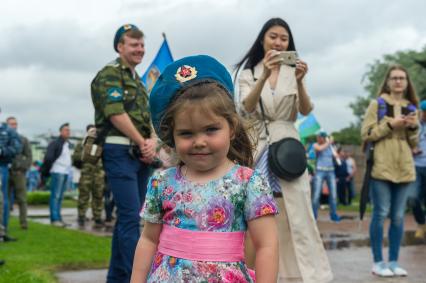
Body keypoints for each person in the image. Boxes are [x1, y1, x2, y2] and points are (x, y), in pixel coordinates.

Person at [130, 55, 279, 282]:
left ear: (231, 128)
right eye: (187, 133)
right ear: (172, 137)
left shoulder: (249, 182)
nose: (199, 141)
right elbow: (149, 240)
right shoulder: (161, 183)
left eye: (210, 130)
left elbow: (266, 245)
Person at [235, 18, 333, 283]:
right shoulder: (249, 73)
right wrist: (265, 75)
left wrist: (300, 81)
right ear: (262, 40)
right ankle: (255, 274)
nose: (278, 43)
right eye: (273, 37)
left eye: (284, 38)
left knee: (296, 215)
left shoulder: (293, 71)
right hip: (259, 149)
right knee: (258, 213)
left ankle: (301, 276)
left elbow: (306, 110)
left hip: (288, 149)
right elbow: (245, 108)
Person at [90, 24, 157, 283]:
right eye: (134, 44)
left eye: (142, 44)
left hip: (140, 154)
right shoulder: (109, 74)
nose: (140, 49)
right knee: (131, 218)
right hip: (119, 150)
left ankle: (117, 277)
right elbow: (116, 113)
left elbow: (147, 117)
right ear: (120, 47)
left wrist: (151, 141)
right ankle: (136, 277)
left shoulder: (138, 82)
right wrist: (143, 141)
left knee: (130, 218)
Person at [361, 65, 419, 277]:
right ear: (387, 81)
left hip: (404, 165)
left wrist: (412, 127)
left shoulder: (411, 107)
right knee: (380, 213)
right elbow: (366, 134)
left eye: (402, 78)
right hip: (382, 167)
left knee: (397, 217)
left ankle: (393, 261)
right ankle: (378, 262)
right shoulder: (378, 104)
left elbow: (413, 141)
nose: (398, 81)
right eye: (394, 78)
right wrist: (390, 125)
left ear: (406, 82)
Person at [72, 124, 105, 229]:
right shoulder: (81, 144)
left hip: (99, 175)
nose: (94, 133)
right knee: (83, 196)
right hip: (86, 174)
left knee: (98, 197)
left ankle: (97, 218)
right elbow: (75, 159)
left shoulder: (101, 144)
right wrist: (85, 148)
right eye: (91, 131)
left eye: (95, 131)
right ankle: (81, 217)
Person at [41, 123, 72, 227]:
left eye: (69, 130)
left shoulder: (67, 144)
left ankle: (58, 218)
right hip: (57, 171)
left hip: (65, 172)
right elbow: (48, 158)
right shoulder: (55, 143)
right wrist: (47, 170)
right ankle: (54, 219)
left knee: (60, 197)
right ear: (61, 131)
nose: (68, 132)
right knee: (55, 196)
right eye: (66, 130)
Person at [0, 107, 22, 242]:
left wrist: (2, 151)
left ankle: (3, 231)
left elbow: (17, 148)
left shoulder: (8, 130)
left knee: (3, 201)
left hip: (2, 167)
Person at [7, 116, 32, 229]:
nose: (14, 126)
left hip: (19, 173)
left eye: (15, 124)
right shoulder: (3, 139)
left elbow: (29, 156)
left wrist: (22, 168)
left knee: (22, 199)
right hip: (5, 173)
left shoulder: (22, 139)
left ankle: (23, 223)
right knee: (4, 199)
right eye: (11, 124)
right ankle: (3, 223)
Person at [312, 132, 341, 221]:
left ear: (323, 138)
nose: (318, 138)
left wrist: (335, 152)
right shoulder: (315, 145)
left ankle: (333, 215)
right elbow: (320, 149)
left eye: (320, 137)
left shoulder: (331, 147)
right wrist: (329, 142)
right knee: (316, 195)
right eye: (318, 137)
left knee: (333, 195)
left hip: (331, 171)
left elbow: (336, 156)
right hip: (320, 171)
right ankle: (314, 215)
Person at [409, 100, 426, 239]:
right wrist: (411, 149)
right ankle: (421, 223)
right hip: (415, 166)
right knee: (412, 198)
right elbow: (403, 142)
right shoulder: (414, 126)